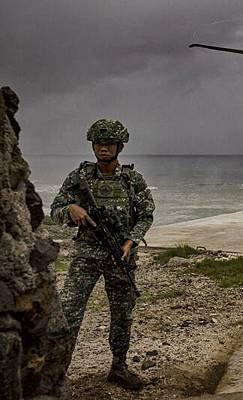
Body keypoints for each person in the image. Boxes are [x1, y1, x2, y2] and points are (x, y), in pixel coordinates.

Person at [51, 119, 155, 390]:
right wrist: (71, 210)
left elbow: (146, 215)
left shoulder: (132, 180)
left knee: (122, 315)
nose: (103, 148)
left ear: (119, 146)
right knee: (68, 311)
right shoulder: (79, 178)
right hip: (86, 256)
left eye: (109, 144)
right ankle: (55, 374)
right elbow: (55, 210)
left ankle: (118, 368)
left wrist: (131, 241)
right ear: (93, 145)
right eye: (99, 143)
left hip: (119, 257)